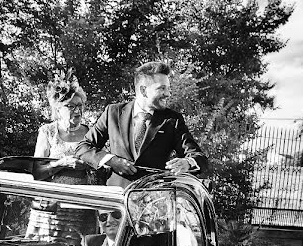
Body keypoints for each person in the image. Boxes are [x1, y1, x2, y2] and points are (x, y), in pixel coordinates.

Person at [75, 61, 208, 188]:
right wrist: (111, 160)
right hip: (116, 202)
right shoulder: (113, 112)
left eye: (168, 88)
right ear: (143, 90)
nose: (168, 94)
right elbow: (83, 147)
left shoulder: (173, 120)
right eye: (162, 88)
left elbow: (199, 157)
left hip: (154, 202)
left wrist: (188, 163)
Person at [26, 70, 97, 243]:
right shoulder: (48, 132)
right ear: (58, 109)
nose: (77, 111)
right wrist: (62, 163)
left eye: (80, 106)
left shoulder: (90, 132)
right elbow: (35, 172)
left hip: (81, 207)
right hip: (51, 209)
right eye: (71, 106)